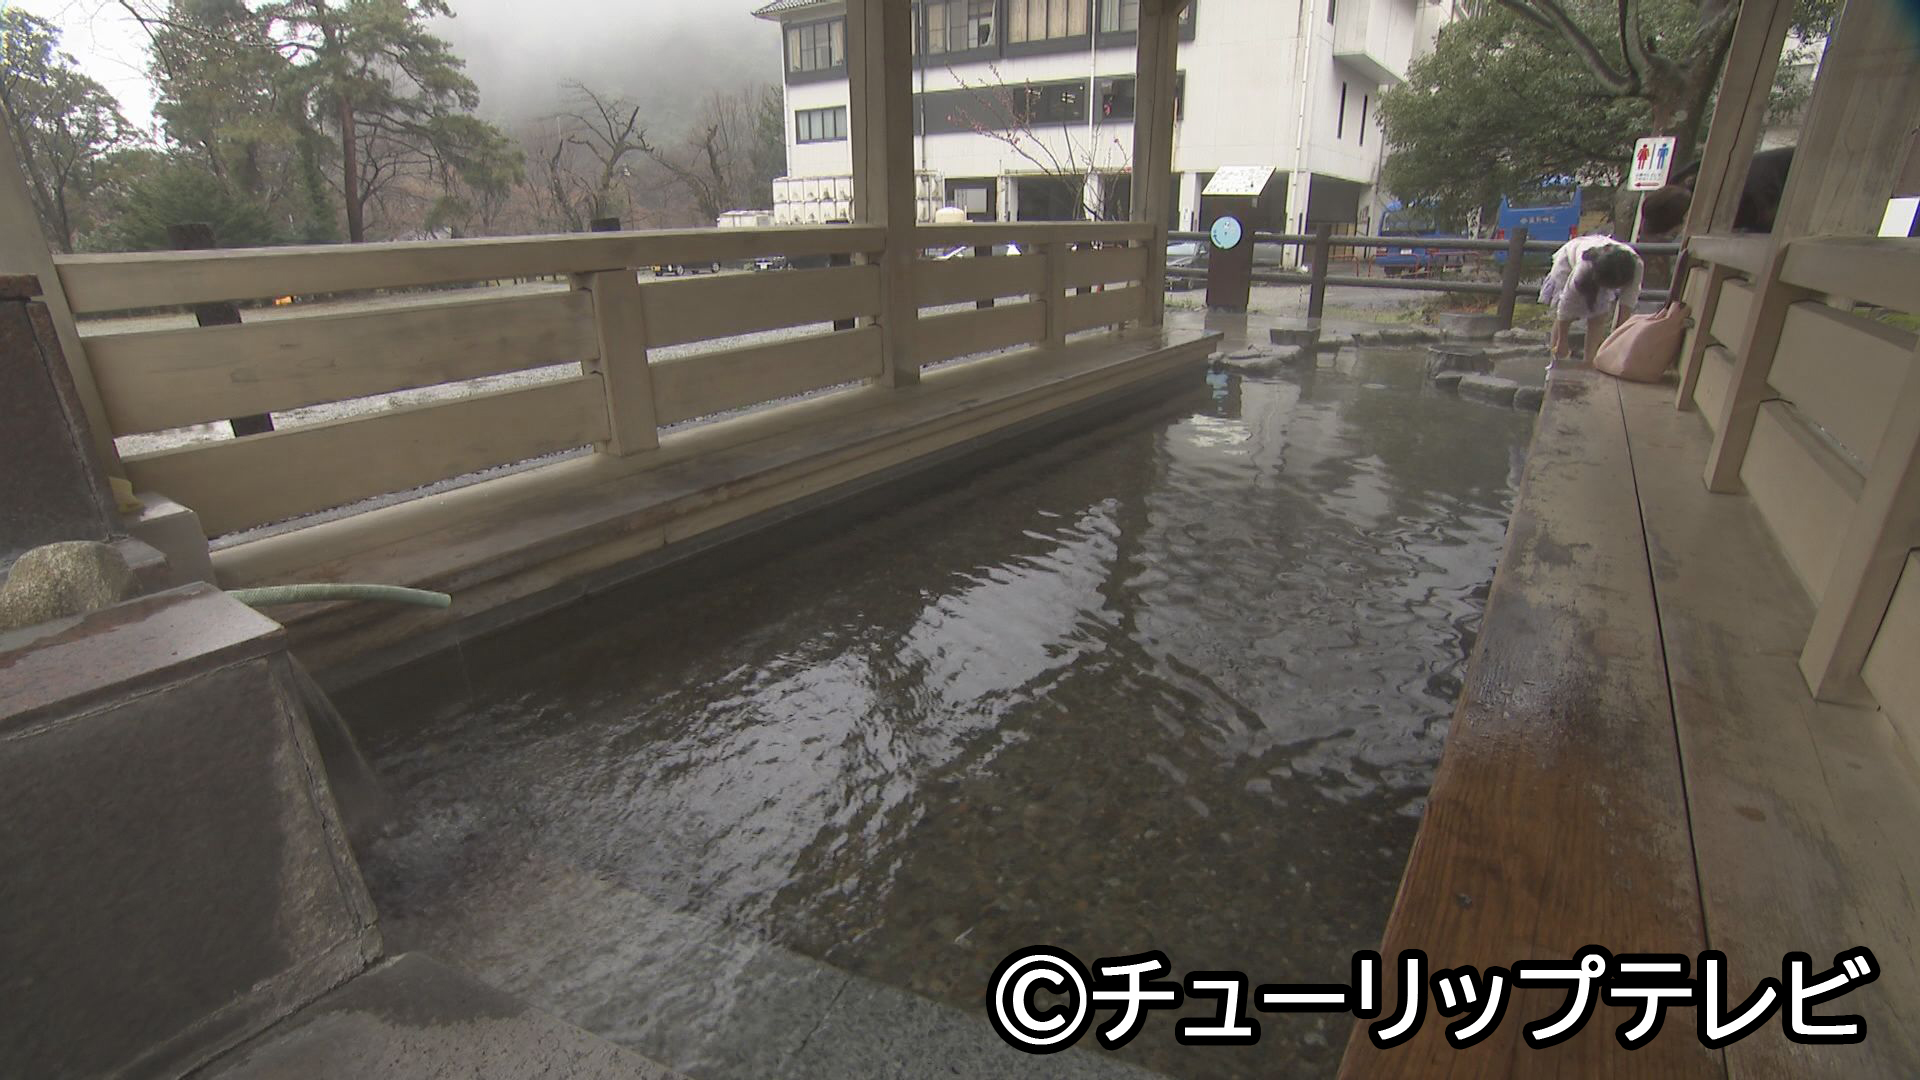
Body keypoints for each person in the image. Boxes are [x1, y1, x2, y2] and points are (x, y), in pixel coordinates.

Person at [1539, 234, 1642, 366]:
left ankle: (1589, 362)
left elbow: (1626, 304)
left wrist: (1618, 342)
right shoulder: (1584, 267)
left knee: (1598, 316)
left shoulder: (1636, 266)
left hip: (1610, 269)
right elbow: (1565, 308)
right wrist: (1562, 342)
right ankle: (1557, 359)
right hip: (1571, 260)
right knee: (1567, 317)